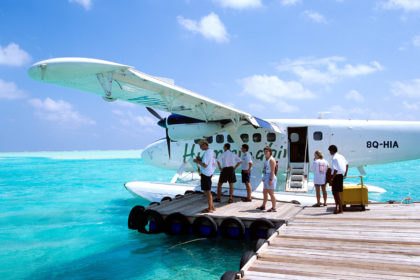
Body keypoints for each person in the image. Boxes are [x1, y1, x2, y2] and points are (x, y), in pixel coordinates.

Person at [193, 140, 217, 213]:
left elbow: (205, 165)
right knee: (207, 190)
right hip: (210, 173)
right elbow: (209, 162)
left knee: (207, 191)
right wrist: (200, 160)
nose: (200, 147)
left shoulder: (206, 153)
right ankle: (212, 206)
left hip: (206, 173)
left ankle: (210, 208)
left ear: (204, 144)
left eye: (201, 146)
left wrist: (197, 161)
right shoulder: (212, 151)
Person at [328, 145, 348, 214]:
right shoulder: (341, 156)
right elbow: (347, 165)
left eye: (330, 151)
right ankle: (340, 208)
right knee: (338, 193)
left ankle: (338, 208)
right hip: (341, 176)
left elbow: (335, 170)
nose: (329, 152)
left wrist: (332, 178)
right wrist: (345, 174)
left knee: (335, 193)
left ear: (332, 151)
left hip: (336, 176)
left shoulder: (335, 158)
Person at [256, 146, 277, 212]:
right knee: (264, 192)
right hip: (266, 176)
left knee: (271, 193)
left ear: (270, 152)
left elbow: (273, 171)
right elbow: (265, 169)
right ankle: (263, 206)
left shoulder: (271, 160)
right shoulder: (266, 159)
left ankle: (274, 208)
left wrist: (271, 180)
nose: (265, 152)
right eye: (265, 151)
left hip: (270, 176)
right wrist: (263, 177)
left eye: (267, 151)